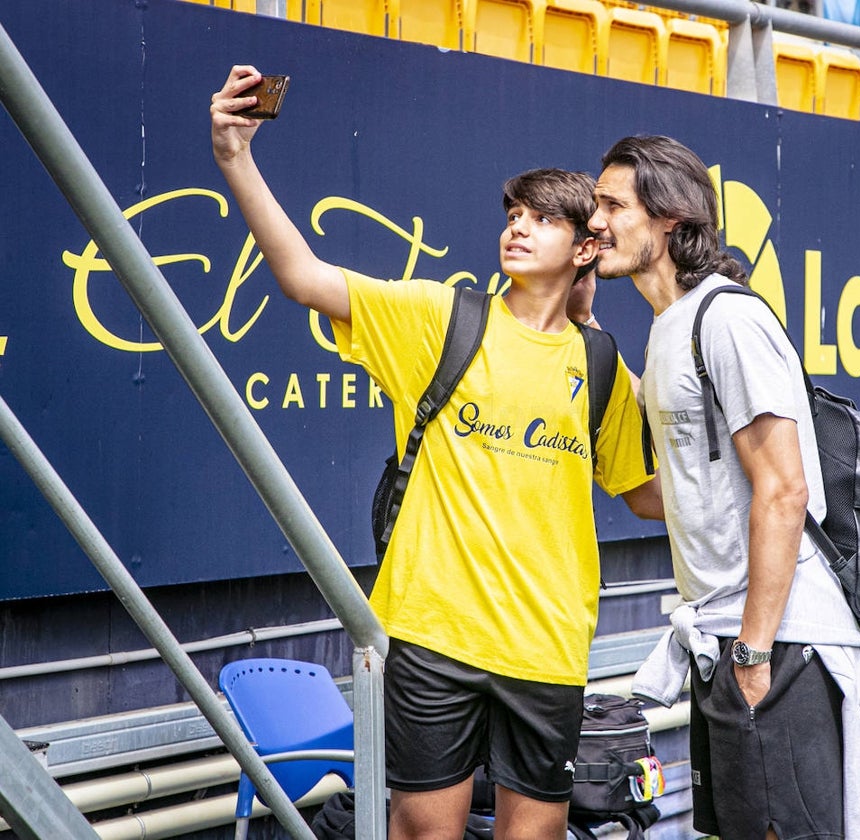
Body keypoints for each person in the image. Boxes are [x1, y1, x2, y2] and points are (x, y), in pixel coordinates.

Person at [210, 66, 662, 840]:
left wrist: (753, 472)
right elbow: (302, 276)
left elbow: (645, 492)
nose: (517, 226)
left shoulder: (600, 364)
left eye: (542, 218)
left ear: (588, 247)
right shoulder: (439, 317)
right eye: (512, 213)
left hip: (547, 643)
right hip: (428, 635)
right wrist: (234, 157)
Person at [581, 134, 860, 840]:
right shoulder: (668, 329)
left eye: (611, 204)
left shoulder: (727, 319)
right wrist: (587, 336)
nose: (592, 220)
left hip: (775, 642)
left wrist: (753, 654)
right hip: (726, 639)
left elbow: (783, 489)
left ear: (668, 219)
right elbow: (661, 494)